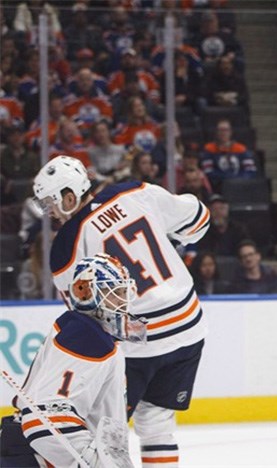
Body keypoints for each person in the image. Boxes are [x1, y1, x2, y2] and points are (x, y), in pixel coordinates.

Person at [32, 155, 210, 466]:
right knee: (157, 427)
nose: (50, 212)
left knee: (104, 432)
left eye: (51, 202)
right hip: (189, 328)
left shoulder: (67, 244)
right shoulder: (134, 191)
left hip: (135, 345)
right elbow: (199, 218)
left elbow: (84, 314)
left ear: (69, 196)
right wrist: (171, 240)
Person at [0, 253, 140, 468]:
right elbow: (44, 419)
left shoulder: (88, 332)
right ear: (84, 293)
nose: (123, 301)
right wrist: (95, 462)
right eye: (114, 292)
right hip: (35, 458)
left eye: (123, 292)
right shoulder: (87, 337)